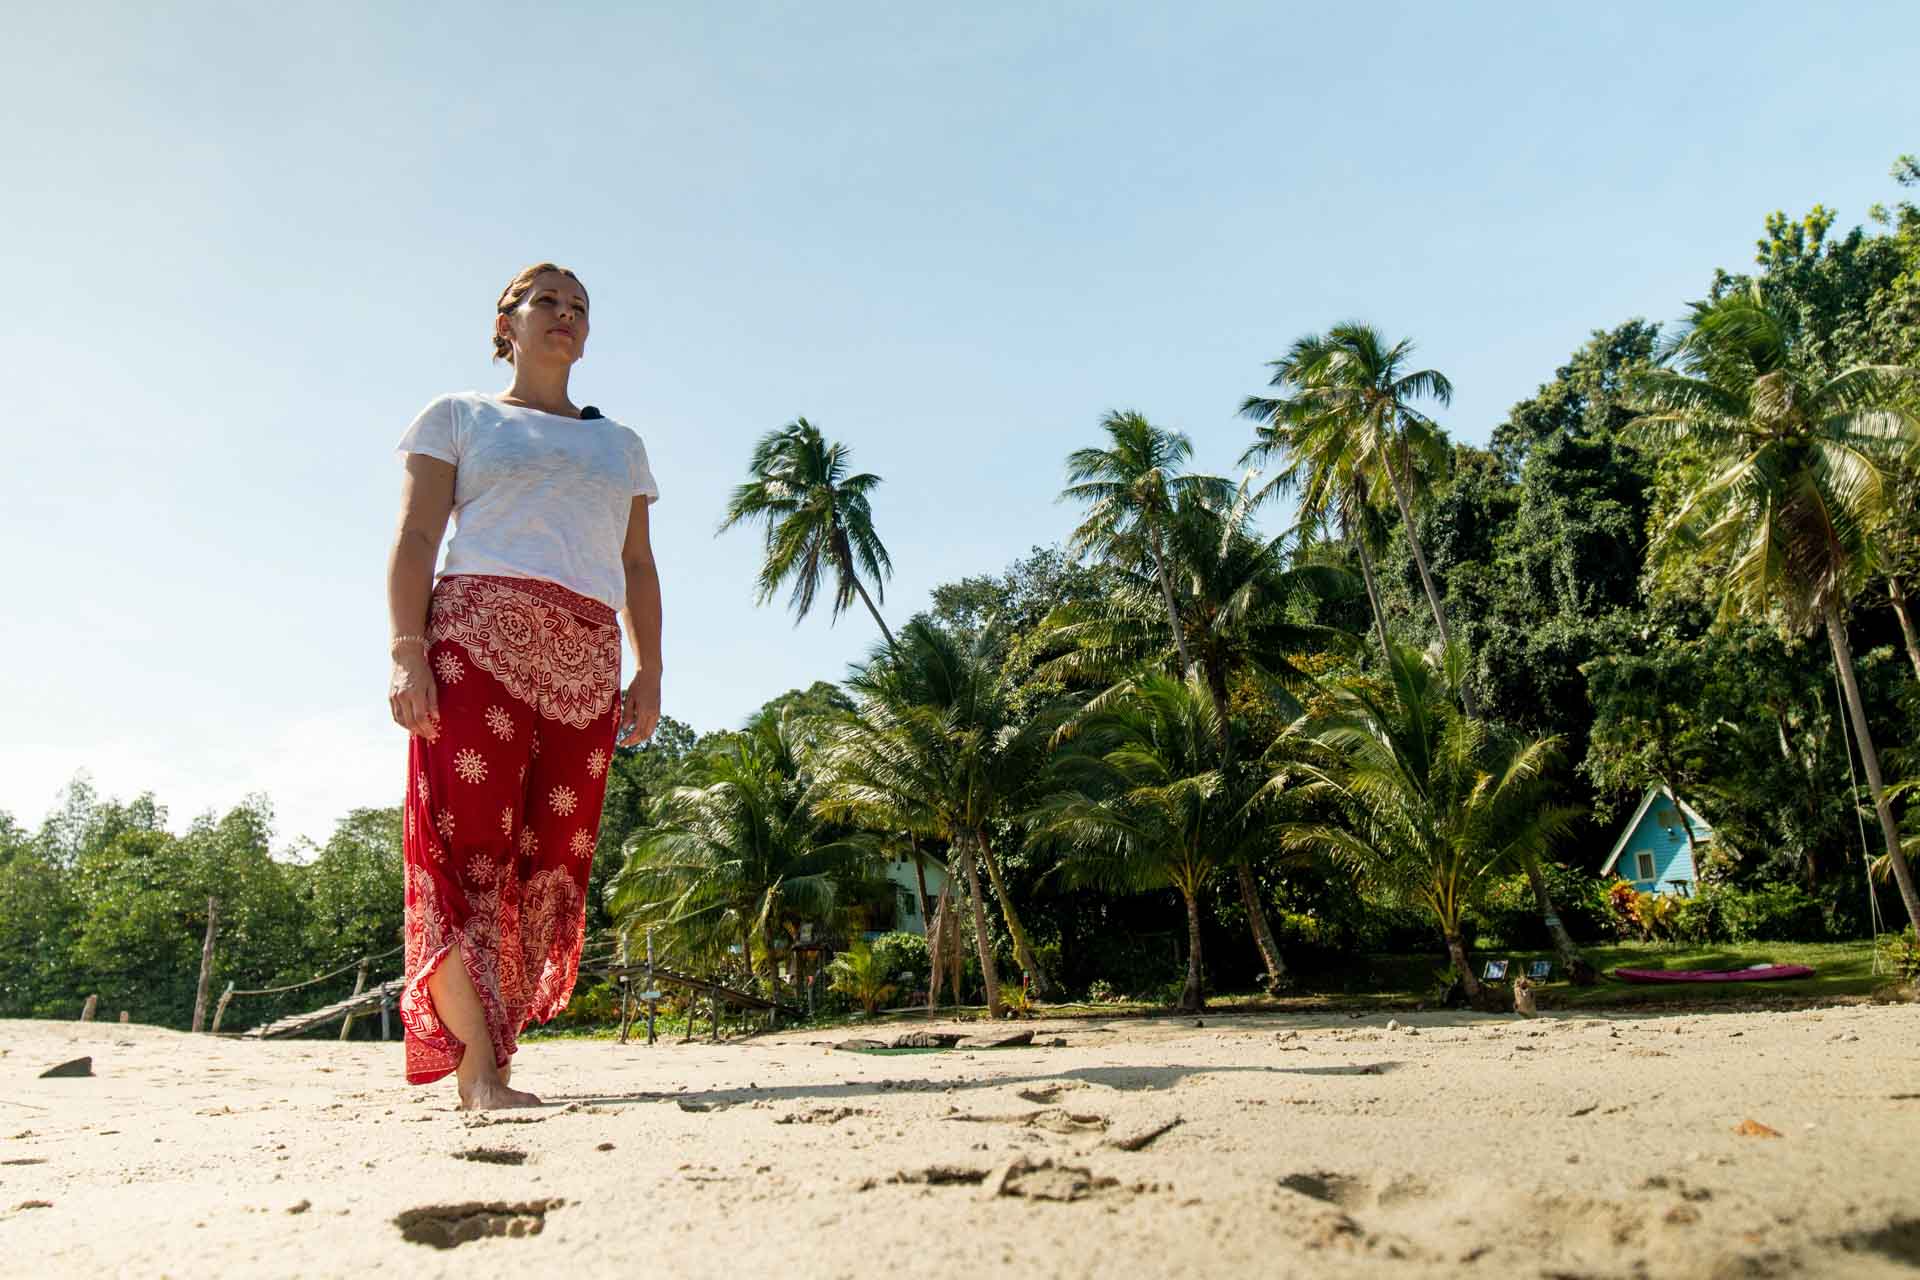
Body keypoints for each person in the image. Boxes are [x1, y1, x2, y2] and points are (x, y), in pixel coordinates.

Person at [385, 262, 662, 1109]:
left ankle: (496, 1059)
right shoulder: (459, 416)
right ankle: (477, 1076)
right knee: (470, 851)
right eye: (548, 299)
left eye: (580, 306)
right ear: (506, 321)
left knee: (550, 865)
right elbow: (419, 532)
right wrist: (407, 648)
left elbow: (638, 564)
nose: (565, 314)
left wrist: (649, 665)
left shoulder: (620, 445)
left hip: (585, 656)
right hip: (476, 639)